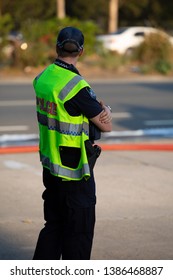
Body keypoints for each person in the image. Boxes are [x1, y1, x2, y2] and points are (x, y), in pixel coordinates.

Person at [32, 26, 112, 260]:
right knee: (78, 235)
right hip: (75, 173)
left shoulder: (42, 78)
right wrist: (104, 108)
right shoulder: (76, 87)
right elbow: (105, 125)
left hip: (50, 167)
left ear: (56, 47)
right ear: (82, 51)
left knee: (53, 229)